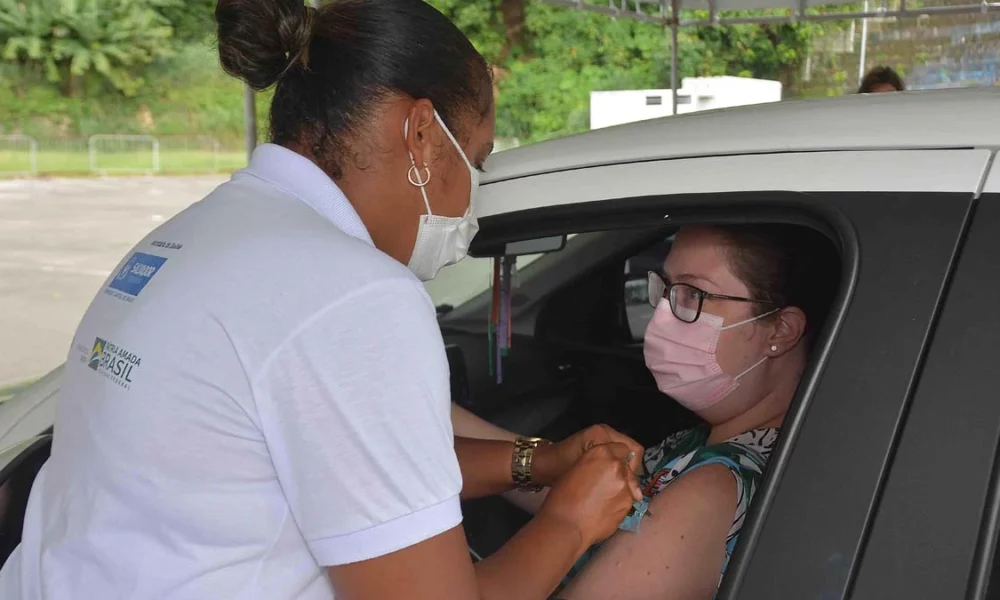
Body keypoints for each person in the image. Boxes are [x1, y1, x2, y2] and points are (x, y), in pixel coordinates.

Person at [0, 2, 643, 599]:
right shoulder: (353, 295)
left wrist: (535, 463)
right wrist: (571, 520)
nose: (473, 198)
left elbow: (344, 462)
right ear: (421, 135)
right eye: (476, 160)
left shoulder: (198, 234)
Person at [458, 225, 839, 599]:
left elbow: (583, 514)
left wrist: (564, 524)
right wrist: (437, 415)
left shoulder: (712, 490)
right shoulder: (716, 441)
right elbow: (596, 503)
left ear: (781, 331)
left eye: (693, 294)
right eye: (667, 288)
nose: (661, 316)